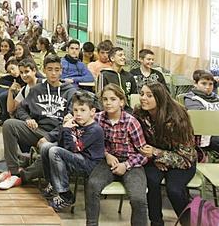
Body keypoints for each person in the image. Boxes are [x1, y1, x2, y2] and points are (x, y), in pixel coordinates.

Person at [0, 54, 76, 190]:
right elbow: (20, 109)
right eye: (50, 69)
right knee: (9, 124)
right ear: (44, 70)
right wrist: (28, 118)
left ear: (61, 71)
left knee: (49, 154)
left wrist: (51, 135)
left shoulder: (70, 91)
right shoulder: (36, 90)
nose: (53, 73)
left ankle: (22, 176)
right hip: (38, 130)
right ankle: (14, 171)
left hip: (59, 134)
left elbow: (74, 117)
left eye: (57, 69)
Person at [85, 84, 148, 226]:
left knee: (138, 197)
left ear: (121, 102)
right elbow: (92, 143)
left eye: (113, 99)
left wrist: (126, 165)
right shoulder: (98, 118)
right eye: (105, 99)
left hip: (132, 163)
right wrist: (106, 154)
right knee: (93, 185)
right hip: (107, 160)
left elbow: (144, 153)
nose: (108, 103)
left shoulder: (131, 122)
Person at [135, 82, 197, 226]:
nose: (143, 98)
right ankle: (156, 222)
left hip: (181, 160)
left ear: (160, 98)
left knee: (174, 189)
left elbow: (186, 158)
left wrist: (158, 154)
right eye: (142, 94)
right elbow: (137, 141)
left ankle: (189, 222)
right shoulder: (140, 113)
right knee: (152, 181)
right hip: (153, 158)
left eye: (149, 95)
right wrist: (154, 157)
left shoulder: (178, 118)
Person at [39, 92, 104, 211]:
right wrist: (64, 127)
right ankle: (52, 184)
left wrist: (67, 130)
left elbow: (74, 148)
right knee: (46, 147)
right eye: (75, 110)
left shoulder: (95, 129)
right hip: (76, 157)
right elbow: (63, 144)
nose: (78, 114)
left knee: (55, 151)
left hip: (88, 163)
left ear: (92, 112)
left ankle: (65, 195)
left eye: (83, 110)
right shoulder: (75, 123)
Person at [184, 70, 219, 151]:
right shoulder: (191, 99)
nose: (207, 87)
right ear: (195, 83)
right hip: (204, 136)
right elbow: (203, 119)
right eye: (203, 83)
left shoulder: (215, 97)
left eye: (211, 84)